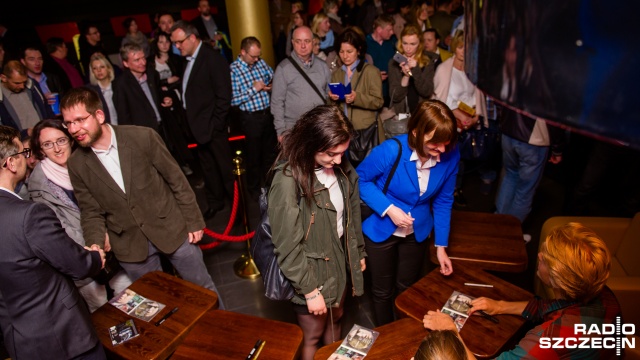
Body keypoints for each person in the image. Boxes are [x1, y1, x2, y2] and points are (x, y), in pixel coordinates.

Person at [61, 87, 222, 304]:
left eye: (80, 120)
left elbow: (176, 180)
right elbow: (90, 210)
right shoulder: (77, 163)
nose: (74, 129)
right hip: (129, 246)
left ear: (99, 115)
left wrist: (193, 221)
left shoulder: (142, 137)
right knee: (158, 303)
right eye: (68, 123)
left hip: (172, 229)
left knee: (203, 290)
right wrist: (95, 244)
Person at [423, 222, 622, 359]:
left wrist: (450, 331)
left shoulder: (550, 339)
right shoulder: (604, 294)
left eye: (546, 259)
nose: (540, 255)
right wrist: (500, 306)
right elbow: (549, 307)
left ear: (557, 279)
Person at [0, 124, 107, 360]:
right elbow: (76, 264)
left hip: (21, 342)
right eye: (23, 153)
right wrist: (94, 257)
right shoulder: (27, 214)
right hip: (64, 336)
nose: (27, 159)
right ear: (10, 163)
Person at [269, 105, 366, 360]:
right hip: (310, 272)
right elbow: (287, 246)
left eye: (342, 152)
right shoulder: (287, 180)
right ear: (311, 144)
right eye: (331, 154)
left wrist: (358, 251)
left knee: (336, 324)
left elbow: (352, 213)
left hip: (338, 262)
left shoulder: (342, 166)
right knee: (311, 336)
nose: (338, 160)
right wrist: (310, 291)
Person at [357, 99, 457, 326]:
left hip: (418, 232)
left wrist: (441, 247)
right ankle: (386, 335)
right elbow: (359, 179)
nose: (441, 150)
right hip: (380, 230)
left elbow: (443, 201)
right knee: (382, 292)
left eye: (446, 144)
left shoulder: (450, 155)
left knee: (407, 288)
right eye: (435, 144)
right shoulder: (392, 150)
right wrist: (389, 209)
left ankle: (404, 332)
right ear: (416, 132)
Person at [27, 119, 132, 312]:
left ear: (71, 140)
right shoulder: (38, 187)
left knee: (130, 297)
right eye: (48, 144)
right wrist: (95, 243)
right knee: (102, 311)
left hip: (114, 247)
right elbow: (58, 230)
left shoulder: (87, 163)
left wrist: (107, 231)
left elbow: (110, 201)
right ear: (40, 150)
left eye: (61, 140)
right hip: (82, 259)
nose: (57, 149)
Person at [170, 20, 234, 219]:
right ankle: (216, 203)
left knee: (225, 170)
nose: (177, 47)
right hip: (197, 129)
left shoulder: (213, 59)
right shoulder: (186, 60)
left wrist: (216, 125)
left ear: (192, 38)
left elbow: (224, 97)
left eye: (179, 42)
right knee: (208, 170)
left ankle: (237, 209)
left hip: (213, 128)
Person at [433, 30, 488, 207]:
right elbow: (441, 98)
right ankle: (439, 193)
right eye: (461, 47)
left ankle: (456, 189)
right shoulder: (444, 69)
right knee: (444, 160)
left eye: (469, 48)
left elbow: (477, 95)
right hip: (451, 122)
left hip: (467, 122)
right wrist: (458, 115)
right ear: (454, 47)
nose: (464, 51)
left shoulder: (473, 69)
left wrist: (475, 116)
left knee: (461, 160)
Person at [230, 36, 277, 198]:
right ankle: (254, 189)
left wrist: (270, 85)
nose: (257, 59)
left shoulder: (260, 62)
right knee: (253, 155)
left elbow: (272, 75)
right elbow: (233, 100)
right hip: (250, 118)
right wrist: (254, 89)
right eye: (253, 56)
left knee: (269, 154)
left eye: (258, 55)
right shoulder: (234, 70)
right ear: (243, 52)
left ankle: (271, 185)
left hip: (267, 114)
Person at [329, 29, 383, 164]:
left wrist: (357, 98)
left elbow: (378, 102)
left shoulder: (371, 71)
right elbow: (333, 108)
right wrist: (332, 98)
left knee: (368, 170)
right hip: (344, 132)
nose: (345, 56)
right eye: (341, 52)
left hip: (366, 132)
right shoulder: (337, 74)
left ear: (358, 50)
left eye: (349, 51)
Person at [271, 26, 330, 142]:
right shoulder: (283, 68)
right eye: (298, 41)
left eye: (307, 41)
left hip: (320, 126)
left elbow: (328, 95)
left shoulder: (323, 66)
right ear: (293, 43)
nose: (303, 46)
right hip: (294, 129)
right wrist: (281, 131)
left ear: (313, 42)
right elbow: (277, 102)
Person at [388, 25, 437, 115]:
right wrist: (406, 76)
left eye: (413, 44)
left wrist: (415, 70)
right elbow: (395, 97)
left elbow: (426, 92)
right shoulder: (394, 63)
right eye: (405, 43)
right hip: (402, 115)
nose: (408, 48)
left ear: (420, 44)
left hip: (421, 113)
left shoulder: (427, 62)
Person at [87, 52, 117, 124]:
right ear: (92, 72)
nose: (99, 70)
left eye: (102, 67)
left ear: (109, 69)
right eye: (95, 68)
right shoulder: (90, 92)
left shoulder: (118, 87)